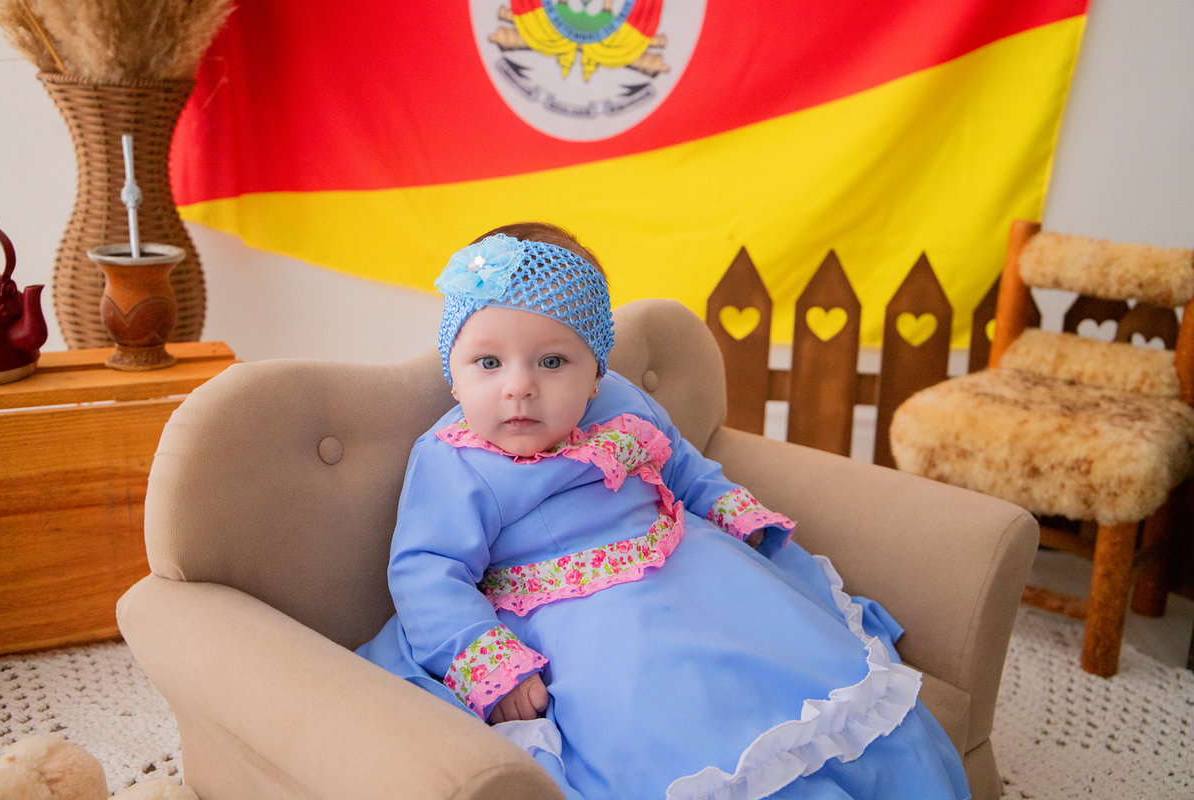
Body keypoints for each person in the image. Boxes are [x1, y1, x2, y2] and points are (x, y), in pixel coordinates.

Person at [358, 222, 970, 800]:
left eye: (552, 362)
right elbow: (426, 570)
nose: (519, 387)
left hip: (686, 562)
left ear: (595, 371)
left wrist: (726, 506)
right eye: (488, 364)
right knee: (659, 710)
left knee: (786, 662)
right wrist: (488, 659)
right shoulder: (453, 459)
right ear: (454, 374)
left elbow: (677, 462)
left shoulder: (622, 402)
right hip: (574, 613)